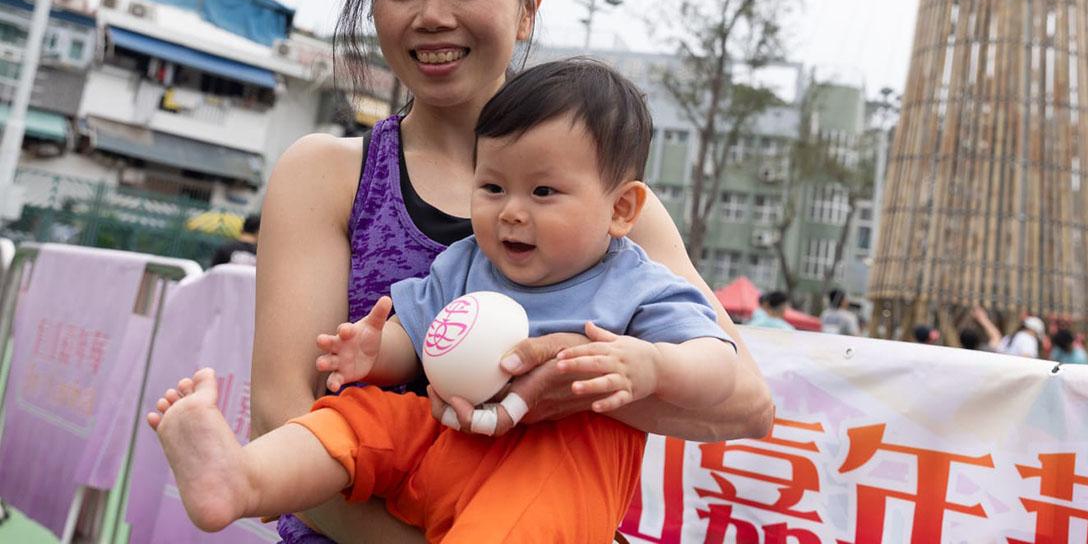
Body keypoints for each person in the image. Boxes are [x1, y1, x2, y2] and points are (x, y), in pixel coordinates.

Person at [249, 0, 773, 543]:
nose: (431, 15)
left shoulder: (610, 208)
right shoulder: (327, 175)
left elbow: (747, 405)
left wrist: (567, 382)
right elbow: (279, 416)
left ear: (528, 10)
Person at [150, 59, 738, 542]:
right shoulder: (468, 261)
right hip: (442, 433)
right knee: (356, 420)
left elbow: (720, 365)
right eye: (492, 187)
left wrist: (652, 365)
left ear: (621, 209)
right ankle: (243, 478)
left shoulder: (636, 283)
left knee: (516, 522)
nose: (511, 211)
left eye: (543, 191)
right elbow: (417, 334)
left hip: (548, 466)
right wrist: (375, 353)